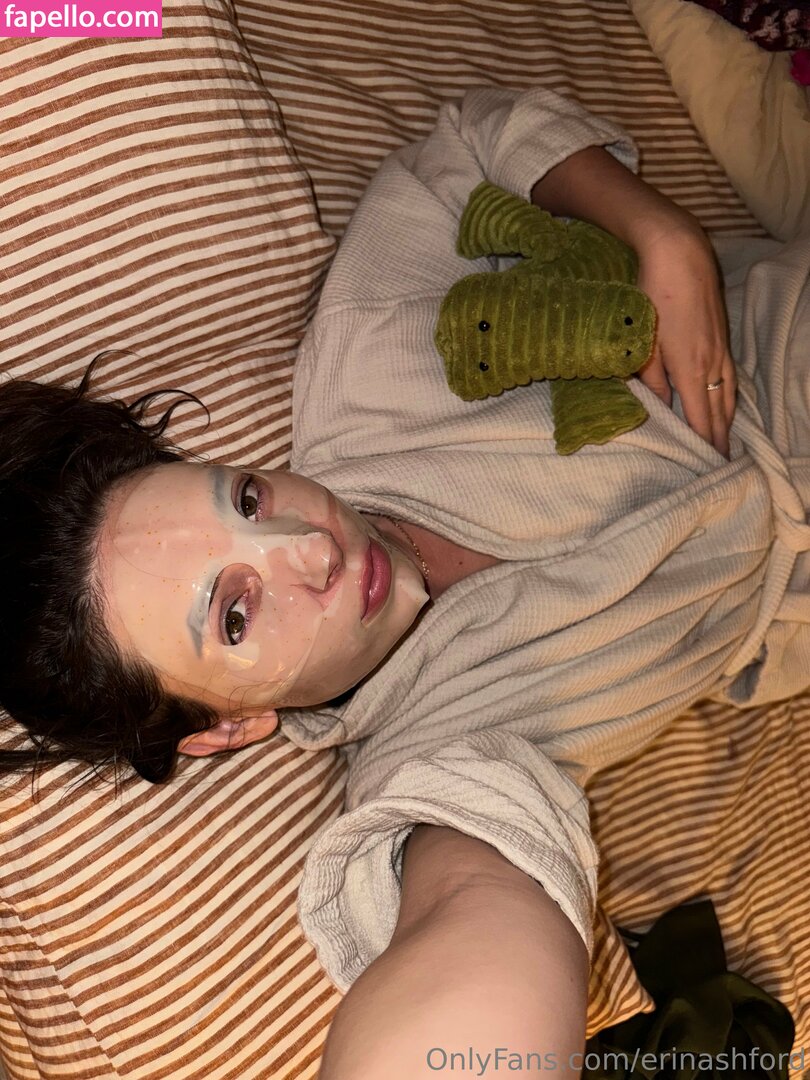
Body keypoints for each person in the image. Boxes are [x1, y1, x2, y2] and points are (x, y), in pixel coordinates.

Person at [2, 87, 810, 1078]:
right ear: (228, 726)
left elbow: (473, 138)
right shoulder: (435, 755)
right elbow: (477, 909)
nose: (312, 546)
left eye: (247, 498)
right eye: (237, 612)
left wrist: (660, 234)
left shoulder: (367, 362)